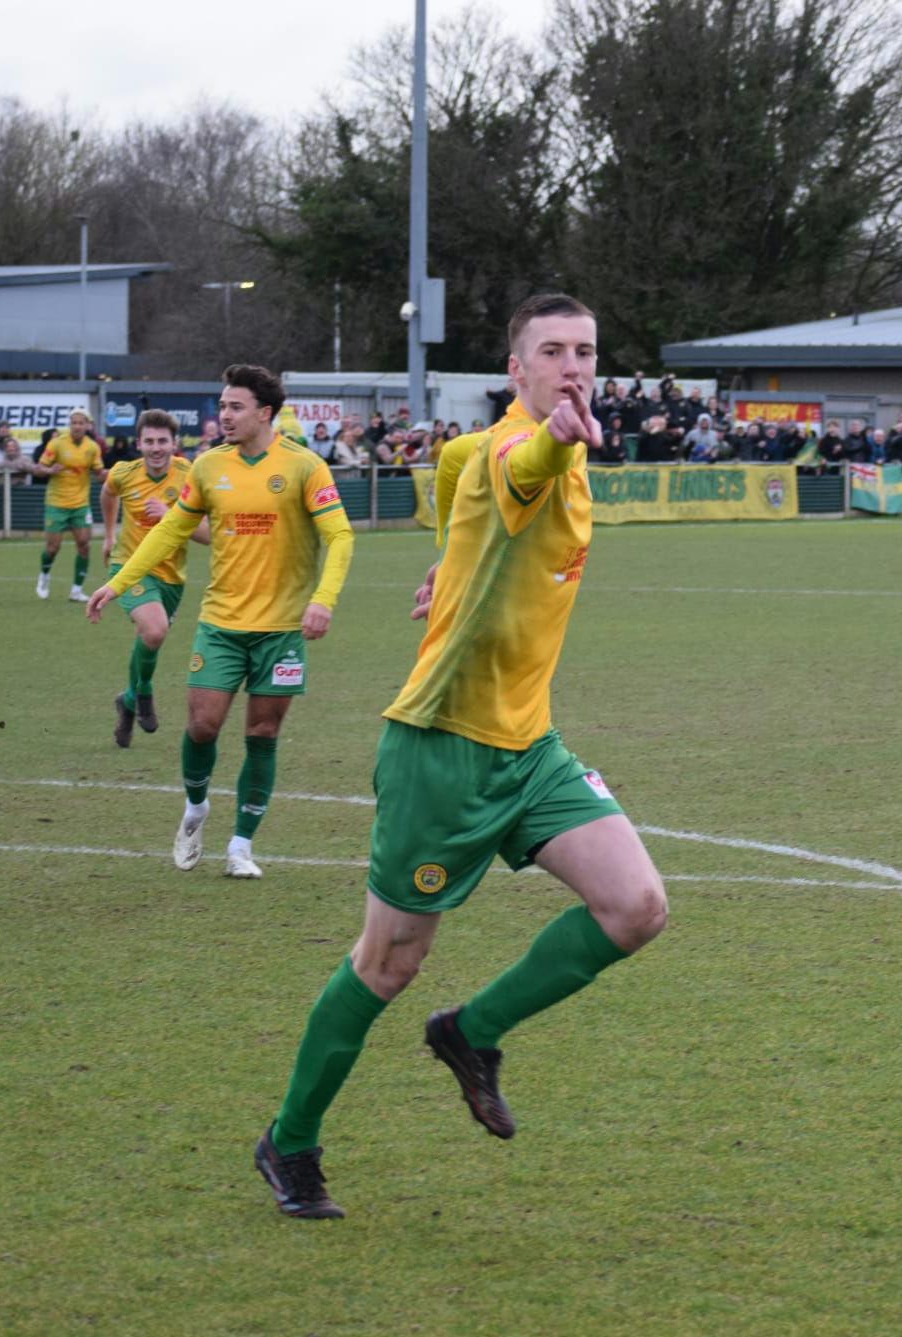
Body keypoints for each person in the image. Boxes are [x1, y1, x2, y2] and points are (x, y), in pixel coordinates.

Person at [253, 293, 667, 1220]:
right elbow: (509, 463)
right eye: (552, 352)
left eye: (586, 352)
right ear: (513, 371)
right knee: (386, 964)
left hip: (530, 744)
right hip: (441, 747)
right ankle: (289, 1141)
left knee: (636, 906)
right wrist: (555, 438)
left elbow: (461, 498)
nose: (573, 366)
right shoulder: (517, 449)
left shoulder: (505, 457)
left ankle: (472, 1033)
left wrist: (451, 563)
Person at [86, 364, 355, 879]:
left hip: (281, 630)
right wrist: (117, 584)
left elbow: (340, 536)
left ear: (264, 413)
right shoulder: (209, 467)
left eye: (235, 407)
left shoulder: (304, 467)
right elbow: (169, 531)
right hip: (221, 622)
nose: (223, 415)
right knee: (202, 726)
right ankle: (195, 808)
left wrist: (324, 598)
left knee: (262, 732)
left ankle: (241, 846)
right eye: (222, 406)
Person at [100, 410, 211, 747]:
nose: (156, 448)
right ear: (139, 444)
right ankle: (145, 691)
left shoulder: (190, 476)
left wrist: (174, 517)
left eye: (163, 441)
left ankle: (129, 700)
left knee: (150, 637)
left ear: (175, 444)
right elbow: (108, 494)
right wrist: (108, 534)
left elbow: (208, 535)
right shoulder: (124, 473)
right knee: (155, 629)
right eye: (149, 441)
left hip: (171, 577)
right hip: (129, 567)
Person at [33, 409, 106, 602]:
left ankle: (76, 591)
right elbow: (38, 469)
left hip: (80, 503)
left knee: (84, 545)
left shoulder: (92, 447)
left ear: (87, 425)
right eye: (73, 422)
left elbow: (99, 473)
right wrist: (49, 470)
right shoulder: (56, 443)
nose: (77, 426)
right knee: (52, 547)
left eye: (81, 423)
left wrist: (111, 474)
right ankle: (44, 575)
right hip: (56, 502)